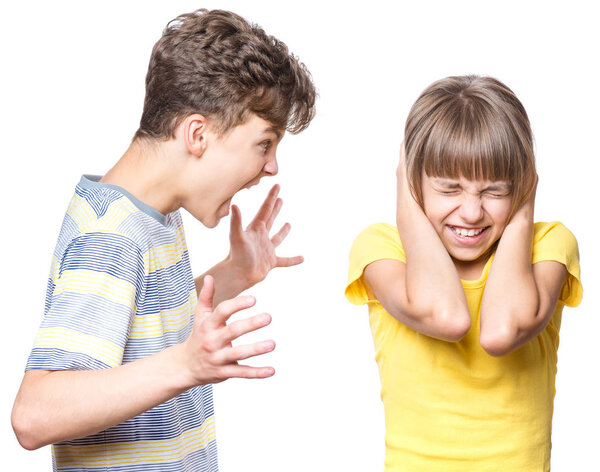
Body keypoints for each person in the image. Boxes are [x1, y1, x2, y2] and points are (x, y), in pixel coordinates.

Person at [11, 8, 316, 472]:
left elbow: (138, 328)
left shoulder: (152, 213)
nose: (271, 167)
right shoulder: (108, 237)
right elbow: (34, 416)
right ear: (198, 134)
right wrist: (186, 366)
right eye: (264, 143)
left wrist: (234, 274)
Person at [345, 75, 582, 471]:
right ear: (411, 180)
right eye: (449, 188)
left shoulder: (548, 247)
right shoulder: (383, 251)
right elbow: (448, 317)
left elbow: (499, 332)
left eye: (495, 191)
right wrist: (406, 198)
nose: (471, 212)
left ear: (523, 187)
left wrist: (523, 209)